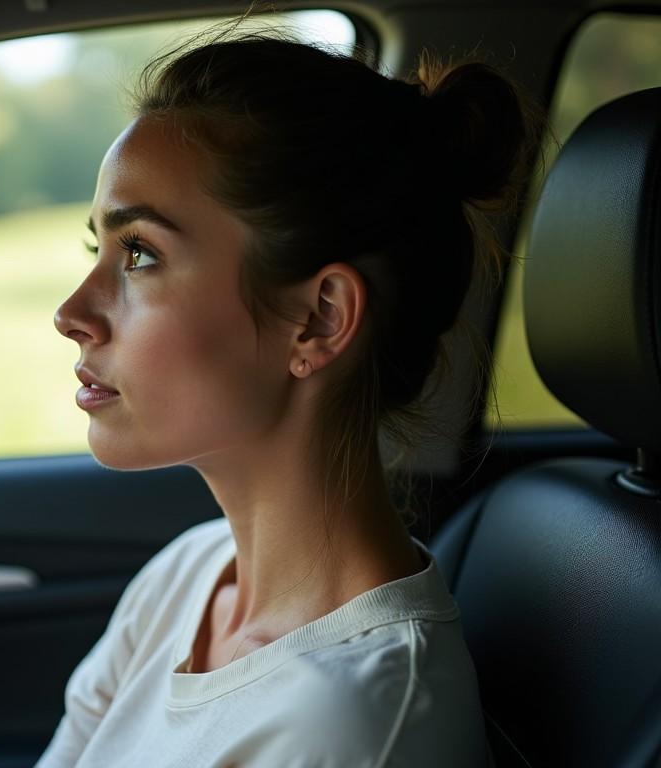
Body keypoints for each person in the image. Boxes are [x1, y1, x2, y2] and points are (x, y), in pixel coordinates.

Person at [41, 16, 540, 768]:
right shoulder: (186, 577)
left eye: (139, 253)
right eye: (99, 248)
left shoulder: (354, 726)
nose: (71, 315)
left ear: (318, 319)